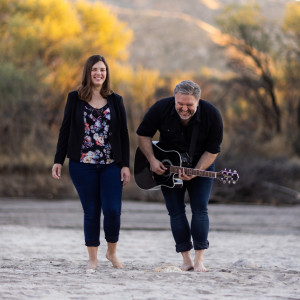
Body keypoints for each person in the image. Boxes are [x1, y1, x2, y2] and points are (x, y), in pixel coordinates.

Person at [52, 55, 130, 270]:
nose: (99, 73)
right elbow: (65, 129)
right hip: (82, 164)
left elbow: (123, 134)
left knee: (113, 210)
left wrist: (125, 165)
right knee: (92, 210)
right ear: (88, 72)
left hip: (111, 164)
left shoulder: (116, 100)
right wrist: (58, 160)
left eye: (102, 70)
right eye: (95, 70)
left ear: (107, 74)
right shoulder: (74, 98)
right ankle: (92, 259)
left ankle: (111, 253)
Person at [136, 80, 223, 272]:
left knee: (200, 209)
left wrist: (197, 171)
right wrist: (151, 160)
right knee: (175, 211)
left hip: (201, 165)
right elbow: (143, 134)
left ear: (198, 102)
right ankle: (186, 259)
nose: (184, 108)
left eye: (189, 105)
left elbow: (212, 150)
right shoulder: (161, 108)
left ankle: (200, 260)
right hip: (167, 168)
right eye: (180, 104)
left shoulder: (212, 115)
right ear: (174, 99)